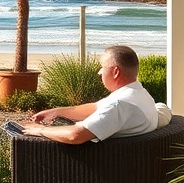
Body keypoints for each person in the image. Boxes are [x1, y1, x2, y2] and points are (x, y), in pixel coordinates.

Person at [21, 45, 157, 144]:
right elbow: (94, 108)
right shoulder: (139, 95)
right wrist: (54, 112)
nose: (99, 73)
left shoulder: (119, 105)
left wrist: (40, 130)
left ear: (116, 72)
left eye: (102, 67)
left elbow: (75, 135)